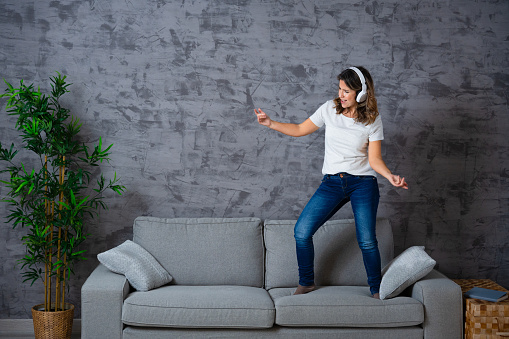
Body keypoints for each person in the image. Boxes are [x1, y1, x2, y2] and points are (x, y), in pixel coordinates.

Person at [254, 66, 408, 299]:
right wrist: (270, 123)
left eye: (347, 91)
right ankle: (306, 283)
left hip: (363, 183)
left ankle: (377, 290)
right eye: (340, 89)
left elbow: (374, 159)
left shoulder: (372, 119)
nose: (341, 95)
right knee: (302, 232)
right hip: (333, 183)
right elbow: (299, 129)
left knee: (366, 240)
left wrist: (390, 176)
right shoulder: (329, 109)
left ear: (362, 93)